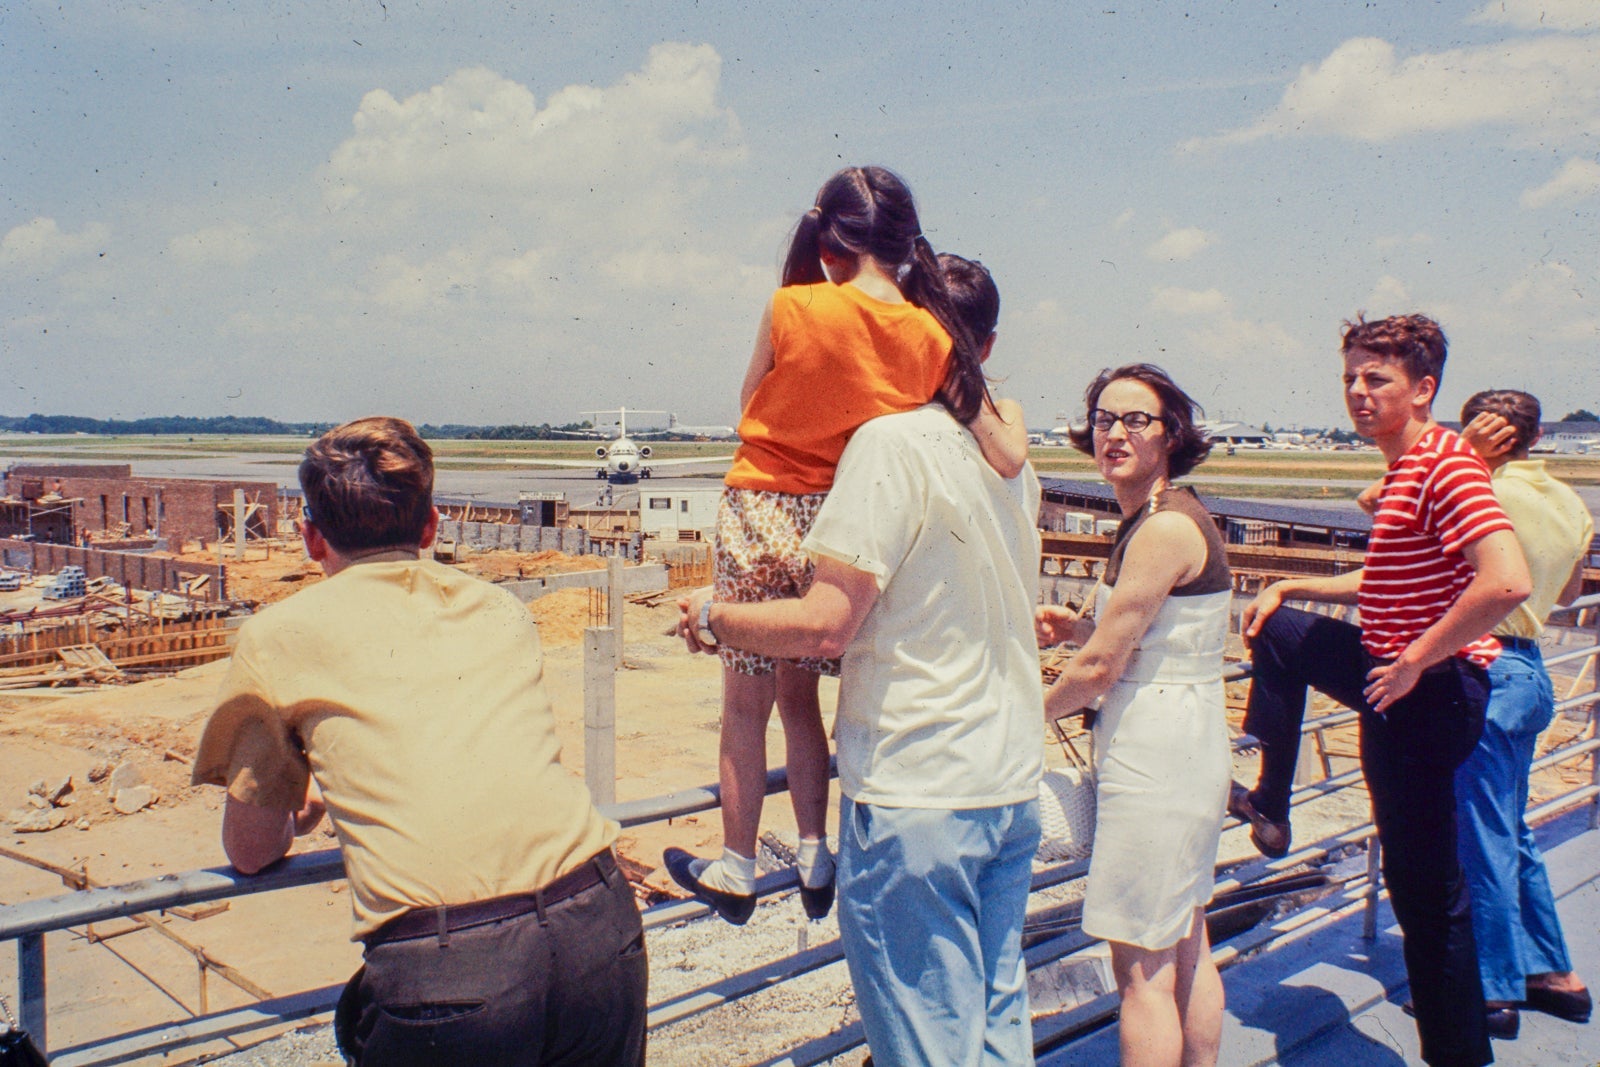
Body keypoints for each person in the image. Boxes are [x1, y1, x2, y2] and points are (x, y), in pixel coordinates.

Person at [671, 255, 1044, 1065]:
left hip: (920, 791)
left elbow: (826, 623)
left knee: (922, 1043)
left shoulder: (886, 444)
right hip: (1009, 780)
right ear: (988, 341)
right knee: (994, 1024)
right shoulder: (1015, 462)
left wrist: (715, 614)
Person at [191, 417, 646, 1066]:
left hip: (453, 976)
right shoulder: (500, 610)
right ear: (431, 526)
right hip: (601, 928)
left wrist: (306, 806)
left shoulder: (277, 637)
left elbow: (250, 849)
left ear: (310, 536)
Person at [1230, 314, 1531, 1066]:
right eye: (1350, 379)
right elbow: (1388, 578)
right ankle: (1270, 799)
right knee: (1282, 629)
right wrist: (1295, 580)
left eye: (1377, 379)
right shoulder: (1408, 467)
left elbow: (1508, 579)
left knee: (1427, 892)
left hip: (1426, 693)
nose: (1357, 393)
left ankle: (1460, 1056)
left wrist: (1417, 659)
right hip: (1397, 679)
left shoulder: (1448, 464)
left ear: (1424, 388)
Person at [1037, 364, 1231, 1067]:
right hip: (1184, 743)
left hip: (1156, 758)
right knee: (1185, 942)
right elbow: (1154, 633)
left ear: (1171, 434)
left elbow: (1100, 670)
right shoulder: (1156, 517)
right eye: (1103, 419)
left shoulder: (1163, 530)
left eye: (1135, 420)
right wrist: (1072, 631)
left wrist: (1018, 719)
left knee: (1141, 974)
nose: (1114, 433)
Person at [1447, 391, 1593, 1033]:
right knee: (1509, 826)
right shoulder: (1571, 502)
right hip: (1531, 667)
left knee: (1478, 834)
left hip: (1483, 667)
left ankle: (1491, 988)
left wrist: (1463, 461)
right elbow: (1564, 591)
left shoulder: (1481, 493)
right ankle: (1552, 973)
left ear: (1490, 432)